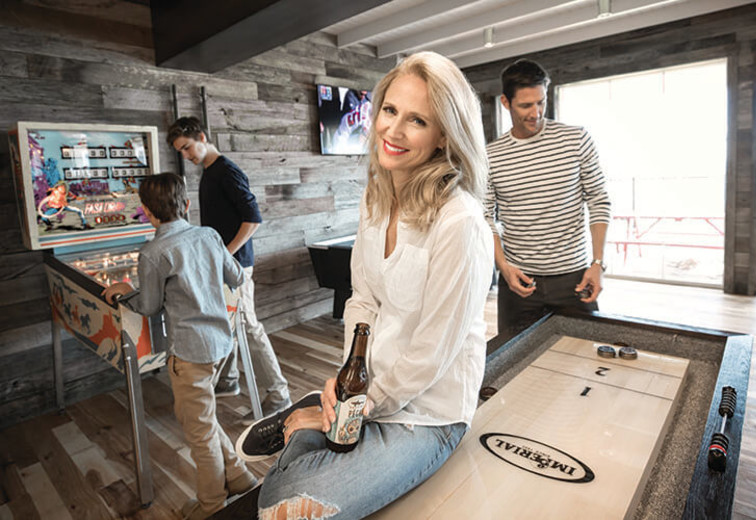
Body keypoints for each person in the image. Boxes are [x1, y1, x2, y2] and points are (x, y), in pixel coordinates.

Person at [234, 51, 494, 519]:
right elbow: (363, 299)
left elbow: (433, 353)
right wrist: (349, 383)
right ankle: (315, 415)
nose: (393, 131)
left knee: (281, 506)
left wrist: (362, 405)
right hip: (369, 390)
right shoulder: (375, 200)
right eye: (390, 111)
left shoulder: (461, 222)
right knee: (282, 504)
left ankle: (307, 420)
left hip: (429, 413)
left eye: (417, 120)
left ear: (442, 137)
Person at [101, 173, 257, 520]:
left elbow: (149, 305)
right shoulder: (209, 235)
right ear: (186, 204)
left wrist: (123, 290)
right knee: (201, 417)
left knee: (198, 432)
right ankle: (240, 477)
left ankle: (213, 505)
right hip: (220, 344)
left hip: (189, 354)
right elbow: (236, 275)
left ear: (146, 212)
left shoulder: (153, 252)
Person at [166, 117, 291, 418]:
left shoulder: (227, 172)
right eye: (180, 151)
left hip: (238, 266)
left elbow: (253, 220)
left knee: (248, 326)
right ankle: (229, 380)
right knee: (229, 321)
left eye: (186, 148)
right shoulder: (209, 172)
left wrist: (224, 254)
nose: (185, 155)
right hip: (224, 264)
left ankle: (279, 394)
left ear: (202, 136)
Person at [485, 59, 611, 334]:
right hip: (518, 282)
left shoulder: (576, 139)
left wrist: (598, 263)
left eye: (541, 102)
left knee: (583, 357)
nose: (536, 112)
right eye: (526, 105)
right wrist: (503, 266)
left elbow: (599, 200)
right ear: (506, 102)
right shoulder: (490, 156)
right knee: (513, 365)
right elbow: (485, 217)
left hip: (574, 279)